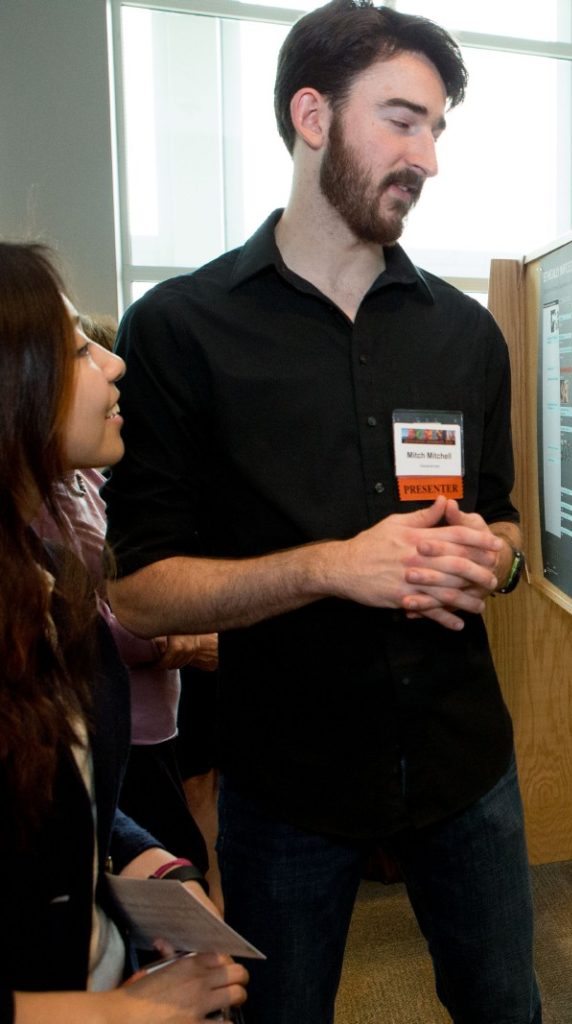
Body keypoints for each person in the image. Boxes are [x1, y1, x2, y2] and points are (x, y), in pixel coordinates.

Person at [103, 3, 539, 1023]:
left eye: (436, 128)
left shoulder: (465, 335)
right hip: (286, 785)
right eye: (400, 119)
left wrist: (495, 556)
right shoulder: (180, 330)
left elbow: (513, 527)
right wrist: (330, 567)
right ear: (311, 114)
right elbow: (139, 589)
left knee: (505, 1006)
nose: (425, 155)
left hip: (465, 766)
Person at [0, 241, 248, 1023]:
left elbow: (66, 800)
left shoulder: (40, 581)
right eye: (76, 349)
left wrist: (151, 866)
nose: (113, 366)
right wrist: (125, 1015)